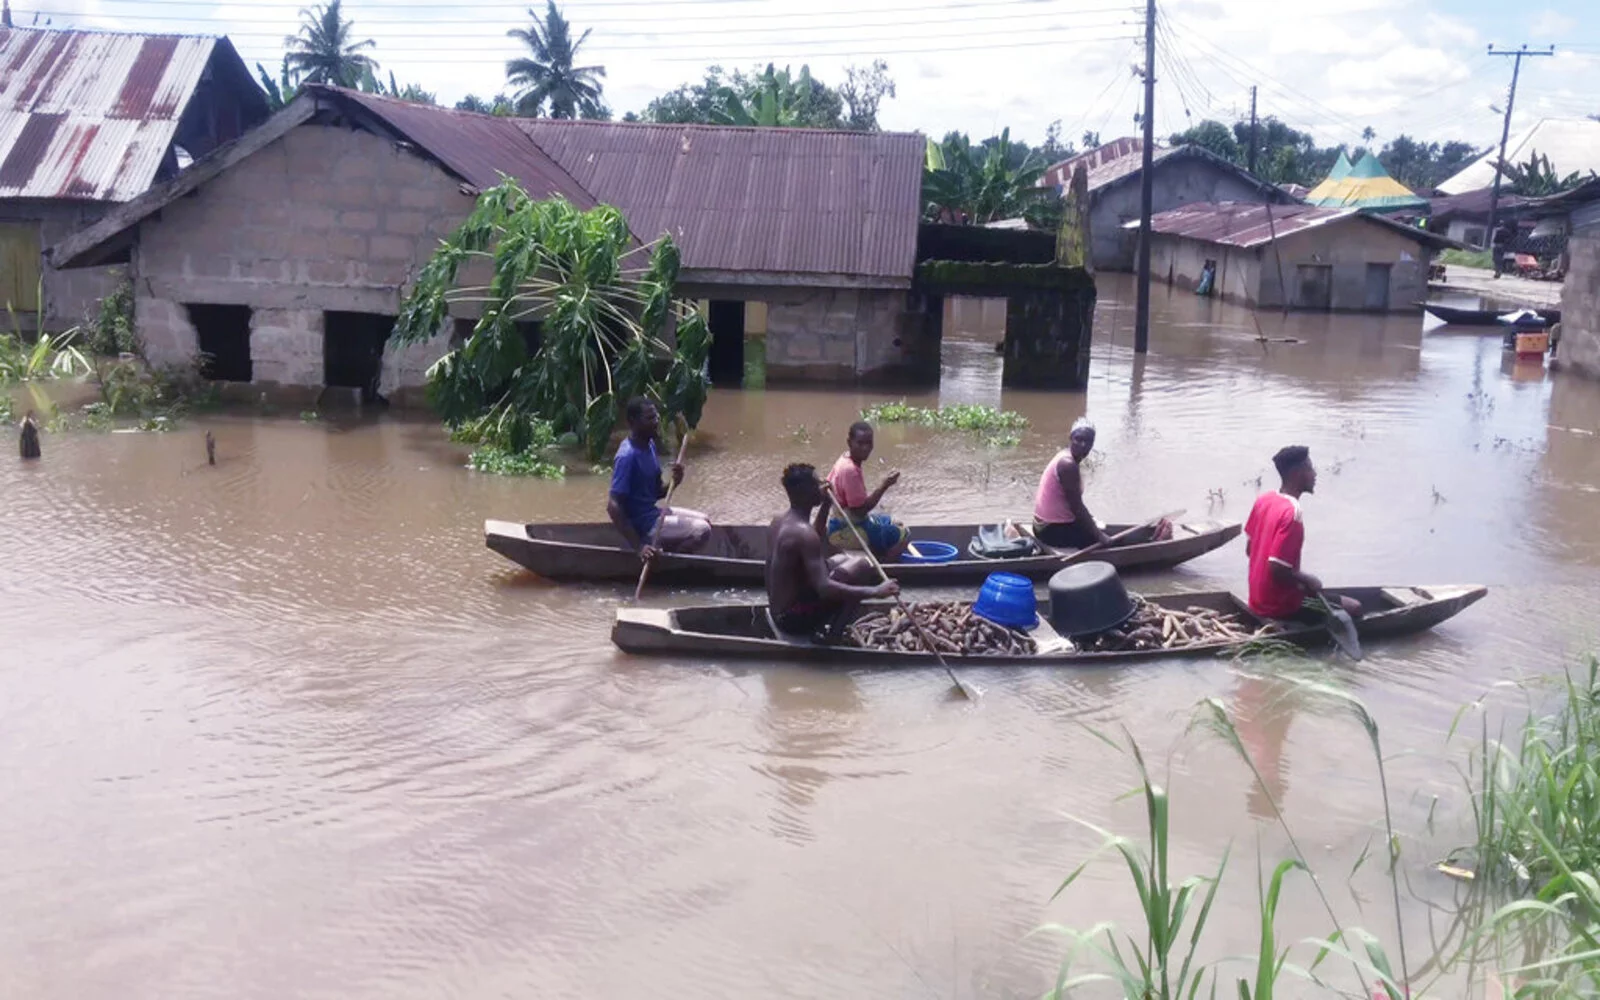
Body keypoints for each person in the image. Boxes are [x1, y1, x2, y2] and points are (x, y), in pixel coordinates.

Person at [767, 463, 898, 639]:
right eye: (817, 483)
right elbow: (824, 588)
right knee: (863, 566)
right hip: (791, 619)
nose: (823, 485)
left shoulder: (780, 520)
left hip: (780, 608)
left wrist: (826, 504)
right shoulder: (802, 533)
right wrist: (875, 591)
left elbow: (815, 537)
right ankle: (833, 636)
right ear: (806, 492)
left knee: (844, 558)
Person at [1244, 445, 1361, 620]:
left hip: (1256, 600)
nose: (1314, 474)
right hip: (1279, 606)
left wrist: (1298, 580)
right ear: (1297, 473)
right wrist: (1308, 580)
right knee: (1355, 608)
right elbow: (1277, 569)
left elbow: (1249, 550)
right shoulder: (1292, 514)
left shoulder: (1264, 500)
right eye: (1310, 468)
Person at [607, 396, 712, 561]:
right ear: (632, 422)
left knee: (705, 519)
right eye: (649, 418)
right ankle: (669, 563)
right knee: (702, 530)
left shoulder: (649, 445)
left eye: (656, 416)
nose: (656, 421)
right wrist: (639, 547)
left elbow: (657, 493)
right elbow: (613, 506)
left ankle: (667, 551)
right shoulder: (627, 456)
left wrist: (674, 482)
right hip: (643, 525)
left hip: (653, 513)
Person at [826, 421, 911, 562]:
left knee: (890, 520)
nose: (865, 448)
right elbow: (859, 511)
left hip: (839, 521)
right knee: (904, 533)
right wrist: (885, 485)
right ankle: (886, 566)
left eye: (869, 443)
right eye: (860, 443)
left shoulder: (844, 459)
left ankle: (879, 552)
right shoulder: (850, 471)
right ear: (849, 442)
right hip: (845, 529)